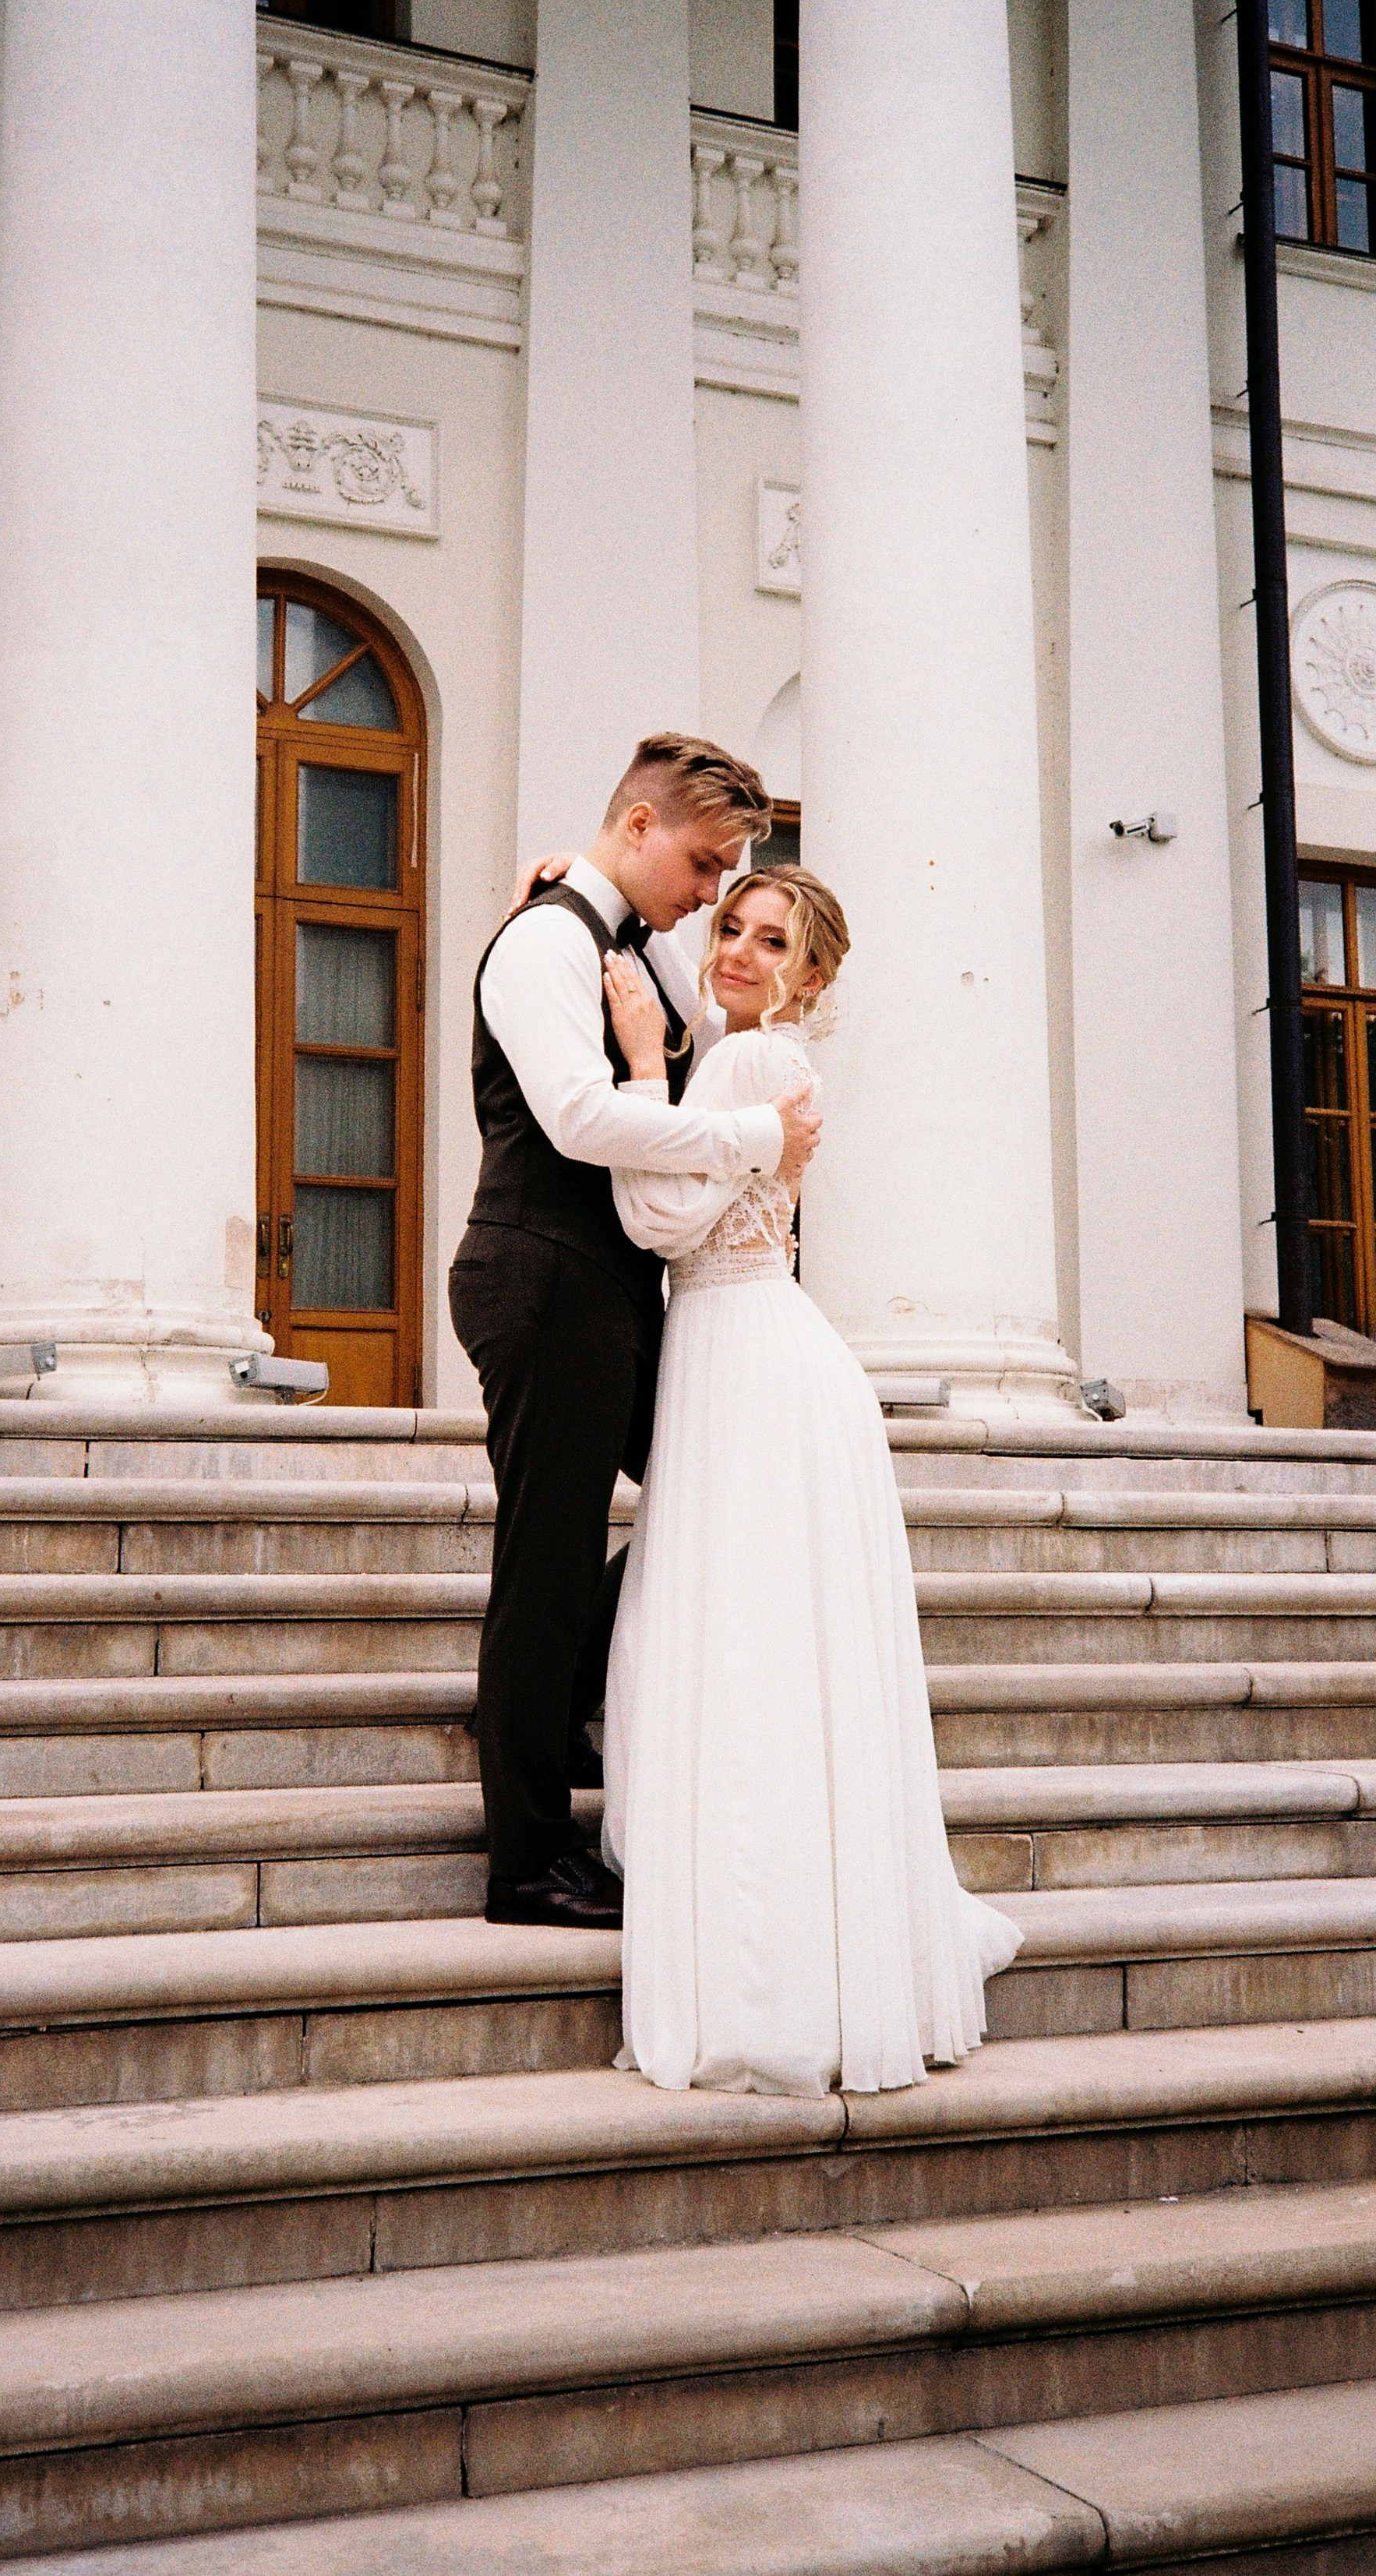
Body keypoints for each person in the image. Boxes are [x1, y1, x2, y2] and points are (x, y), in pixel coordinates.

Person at [598, 865, 1025, 2094]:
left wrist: (636, 1058)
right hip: (772, 1355)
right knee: (771, 1650)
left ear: (815, 973)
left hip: (742, 1358)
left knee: (736, 1646)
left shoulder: (740, 1064)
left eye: (768, 938)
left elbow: (657, 1219)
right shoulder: (765, 1056)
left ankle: (759, 1966)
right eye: (726, 924)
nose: (733, 948)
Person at [450, 737, 823, 1931]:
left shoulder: (618, 940)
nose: (714, 892)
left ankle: (553, 1700)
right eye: (706, 862)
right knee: (547, 1562)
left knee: (718, 1494)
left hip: (610, 1292)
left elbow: (673, 1049)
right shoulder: (550, 942)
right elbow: (573, 1114)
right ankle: (525, 1855)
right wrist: (756, 1141)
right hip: (542, 1274)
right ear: (644, 823)